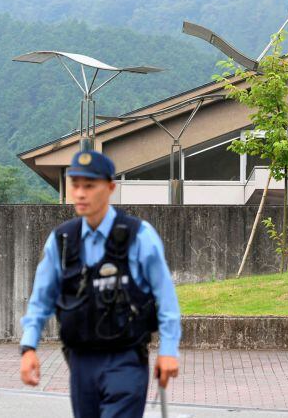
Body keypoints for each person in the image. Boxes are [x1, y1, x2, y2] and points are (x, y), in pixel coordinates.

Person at [19, 149, 181, 418]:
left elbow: (166, 297)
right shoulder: (62, 241)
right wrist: (28, 348)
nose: (80, 193)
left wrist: (169, 350)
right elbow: (41, 299)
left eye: (90, 186)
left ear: (110, 188)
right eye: (75, 185)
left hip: (126, 360)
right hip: (80, 362)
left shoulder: (139, 236)